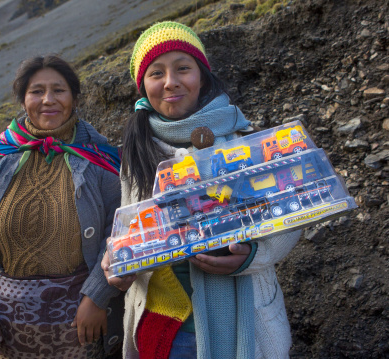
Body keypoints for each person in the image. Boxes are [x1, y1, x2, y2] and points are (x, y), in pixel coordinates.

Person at [101, 21, 301, 359]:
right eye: (156, 73)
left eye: (183, 68)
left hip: (246, 325)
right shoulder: (136, 151)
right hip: (162, 329)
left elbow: (290, 217)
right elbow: (131, 228)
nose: (170, 82)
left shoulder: (244, 141)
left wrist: (252, 256)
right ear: (142, 86)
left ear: (202, 75)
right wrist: (119, 263)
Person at [0, 54, 124, 358]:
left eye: (59, 90)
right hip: (10, 330)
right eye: (36, 91)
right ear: (23, 100)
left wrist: (96, 298)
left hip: (84, 325)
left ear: (75, 98)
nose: (48, 100)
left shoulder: (99, 158)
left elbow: (121, 233)